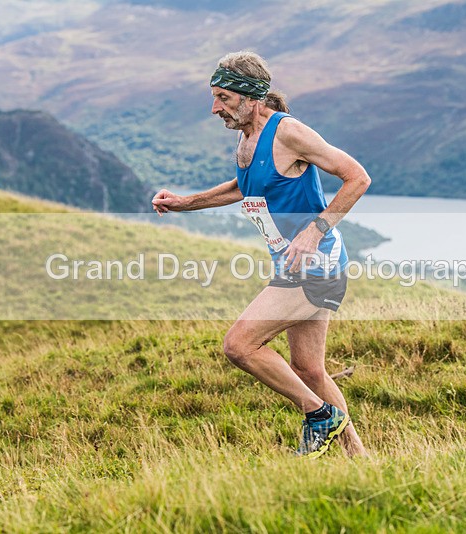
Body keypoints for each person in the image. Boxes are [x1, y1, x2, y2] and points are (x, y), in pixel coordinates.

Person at [151, 51, 370, 457]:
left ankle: (317, 414)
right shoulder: (246, 135)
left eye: (223, 98)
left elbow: (357, 177)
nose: (215, 108)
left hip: (315, 264)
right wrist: (186, 202)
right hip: (292, 263)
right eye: (215, 97)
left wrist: (314, 230)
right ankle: (360, 460)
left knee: (239, 345)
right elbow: (244, 187)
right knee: (309, 370)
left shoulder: (289, 133)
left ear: (251, 97)